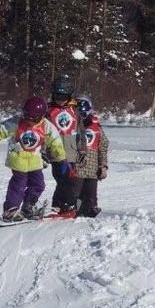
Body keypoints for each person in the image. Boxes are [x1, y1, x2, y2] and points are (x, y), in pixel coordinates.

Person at [0, 96, 71, 221]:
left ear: (41, 117)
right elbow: (1, 131)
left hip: (35, 161)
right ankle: (10, 210)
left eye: (32, 118)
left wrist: (61, 159)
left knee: (39, 184)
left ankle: (28, 206)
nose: (28, 120)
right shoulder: (17, 122)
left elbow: (55, 142)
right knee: (18, 185)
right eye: (26, 116)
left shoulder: (46, 126)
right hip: (18, 159)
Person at [45, 75, 86, 217]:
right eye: (57, 96)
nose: (60, 100)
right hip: (55, 152)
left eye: (63, 97)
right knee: (63, 179)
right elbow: (41, 131)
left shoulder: (74, 111)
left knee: (67, 181)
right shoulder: (48, 110)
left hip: (71, 152)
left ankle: (59, 206)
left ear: (69, 96)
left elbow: (80, 131)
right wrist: (42, 151)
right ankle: (67, 205)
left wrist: (82, 148)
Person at [73, 97, 108, 217]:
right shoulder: (74, 128)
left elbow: (103, 147)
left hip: (92, 168)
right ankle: (74, 209)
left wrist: (102, 166)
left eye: (83, 114)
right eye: (78, 115)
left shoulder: (96, 128)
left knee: (91, 192)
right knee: (75, 191)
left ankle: (90, 209)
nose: (81, 118)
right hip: (78, 167)